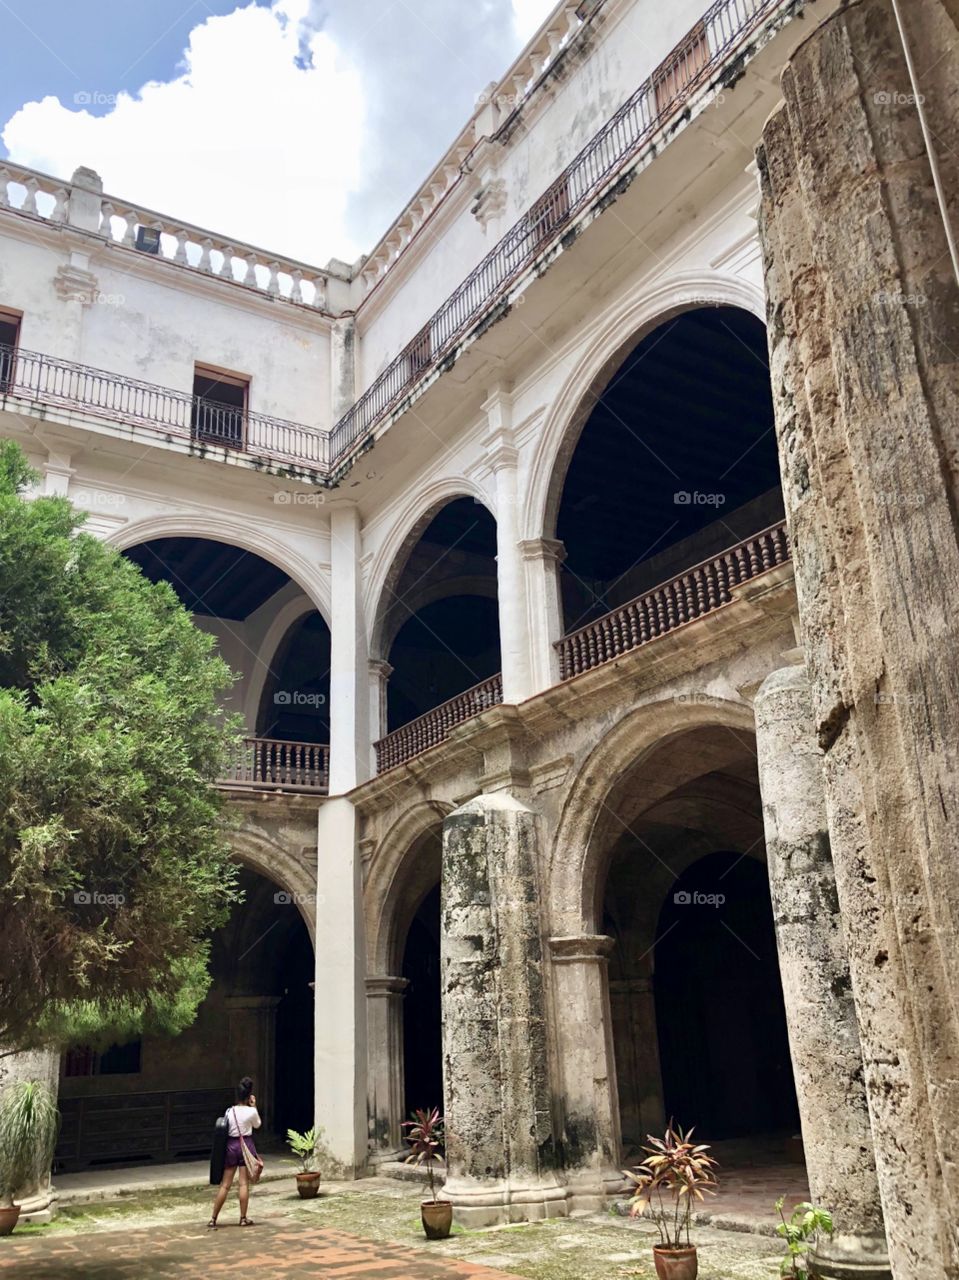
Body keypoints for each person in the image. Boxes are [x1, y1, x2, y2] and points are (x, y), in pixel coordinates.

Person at [208, 1076, 262, 1228]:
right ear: (249, 1096)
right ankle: (243, 1218)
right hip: (246, 1145)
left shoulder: (229, 1111)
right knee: (243, 1184)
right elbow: (257, 1125)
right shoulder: (251, 1112)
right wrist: (254, 1106)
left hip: (231, 1146)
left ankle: (213, 1218)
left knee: (225, 1185)